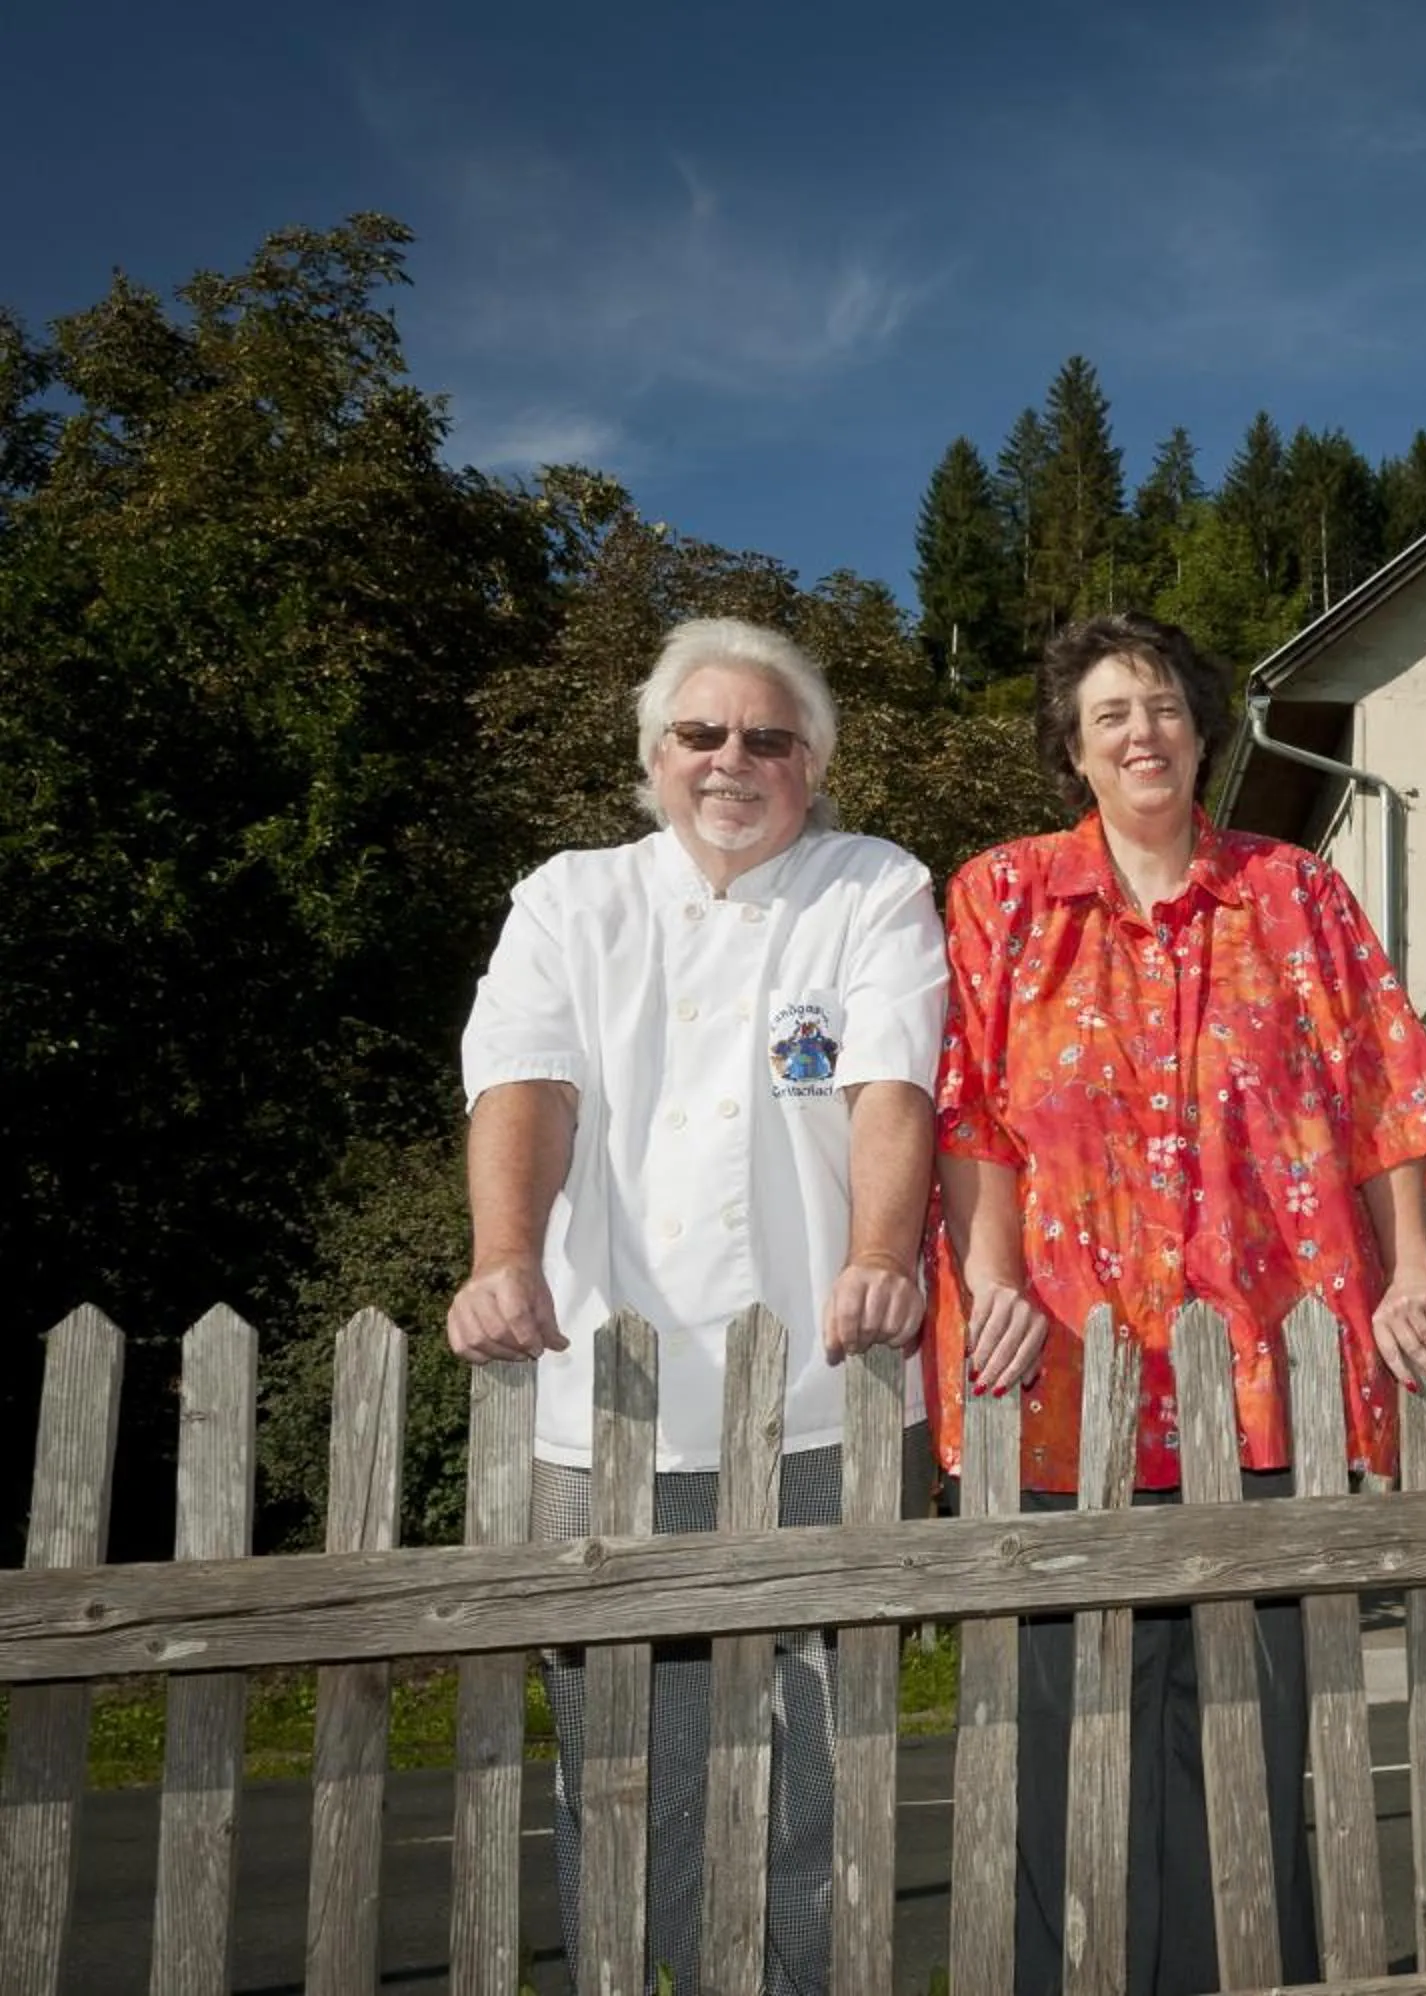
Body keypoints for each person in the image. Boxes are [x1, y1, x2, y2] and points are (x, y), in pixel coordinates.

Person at [929, 610, 1426, 1995]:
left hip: (1263, 1384)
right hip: (1064, 1382)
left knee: (1250, 1733)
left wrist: (1411, 1266)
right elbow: (972, 1107)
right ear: (1073, 745)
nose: (1144, 731)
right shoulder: (1001, 896)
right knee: (1073, 1743)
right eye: (1112, 711)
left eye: (1167, 705)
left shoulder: (1295, 892)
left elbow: (1380, 1090)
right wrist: (988, 1276)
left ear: (1202, 730)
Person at [449, 616, 947, 1996]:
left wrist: (882, 1251)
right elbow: (526, 1082)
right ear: (652, 753)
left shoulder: (871, 885)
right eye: (702, 734)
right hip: (604, 1404)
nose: (734, 761)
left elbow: (892, 1085)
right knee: (619, 1761)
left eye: (769, 739)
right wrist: (506, 1258)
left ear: (816, 761)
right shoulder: (571, 897)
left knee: (818, 1758)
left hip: (820, 1396)